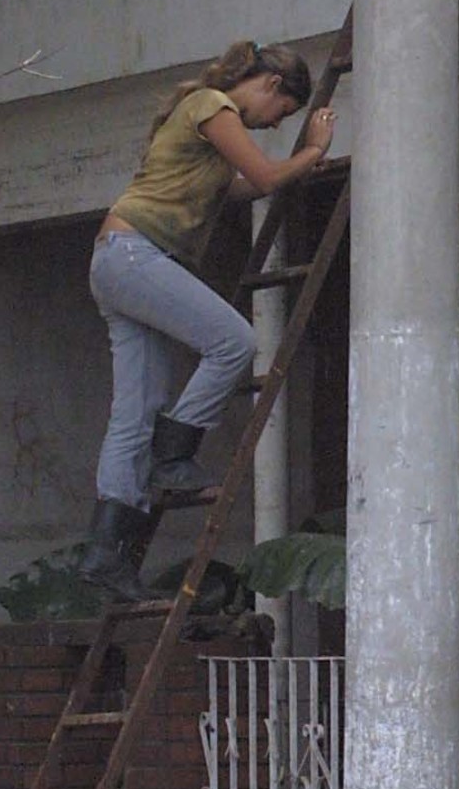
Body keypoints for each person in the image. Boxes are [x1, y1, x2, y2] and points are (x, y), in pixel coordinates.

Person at [77, 39, 337, 603]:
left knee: (133, 414)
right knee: (234, 340)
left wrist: (295, 165)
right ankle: (173, 455)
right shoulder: (213, 106)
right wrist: (313, 150)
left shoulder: (207, 118)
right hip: (136, 255)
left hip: (119, 260)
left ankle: (104, 553)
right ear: (270, 86)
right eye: (282, 114)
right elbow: (266, 178)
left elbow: (240, 188)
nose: (273, 125)